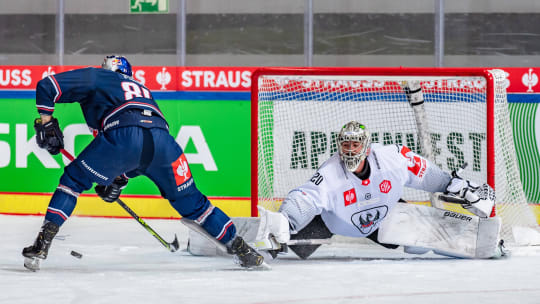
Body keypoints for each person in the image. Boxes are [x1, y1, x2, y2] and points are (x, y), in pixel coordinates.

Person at [22, 55, 263, 270]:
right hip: (164, 143)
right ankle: (243, 249)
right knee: (195, 204)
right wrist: (119, 178)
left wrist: (46, 122)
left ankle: (42, 243)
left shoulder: (100, 76)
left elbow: (47, 86)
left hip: (124, 133)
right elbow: (143, 151)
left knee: (72, 182)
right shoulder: (142, 89)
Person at [255, 121, 505, 260]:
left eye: (355, 144)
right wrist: (285, 222)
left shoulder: (391, 159)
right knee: (286, 247)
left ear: (367, 146)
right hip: (332, 223)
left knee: (419, 243)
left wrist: (453, 185)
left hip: (386, 217)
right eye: (346, 144)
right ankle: (241, 241)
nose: (350, 149)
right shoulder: (330, 172)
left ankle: (486, 244)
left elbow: (424, 173)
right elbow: (305, 197)